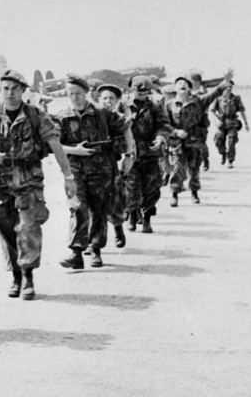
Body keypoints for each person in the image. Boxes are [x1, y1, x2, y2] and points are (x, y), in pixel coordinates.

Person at [0, 70, 74, 300]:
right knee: (5, 228)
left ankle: (27, 275)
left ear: (23, 91)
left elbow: (55, 144)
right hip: (1, 181)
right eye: (5, 88)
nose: (10, 93)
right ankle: (15, 276)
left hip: (29, 179)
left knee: (27, 227)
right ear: (0, 90)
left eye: (15, 89)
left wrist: (68, 176)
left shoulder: (35, 115)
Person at [53, 75, 134, 269]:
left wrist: (129, 154)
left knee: (99, 210)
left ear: (87, 93)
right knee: (78, 207)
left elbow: (126, 127)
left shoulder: (102, 113)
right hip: (75, 170)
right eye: (71, 94)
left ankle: (96, 249)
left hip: (102, 169)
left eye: (79, 94)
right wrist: (75, 150)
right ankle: (76, 253)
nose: (75, 98)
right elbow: (53, 144)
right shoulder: (62, 116)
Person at [163, 72, 231, 206]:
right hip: (176, 142)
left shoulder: (198, 101)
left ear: (190, 88)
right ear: (175, 88)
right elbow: (164, 124)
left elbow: (214, 93)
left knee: (194, 168)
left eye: (185, 84)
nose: (182, 85)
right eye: (179, 83)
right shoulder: (169, 104)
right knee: (176, 167)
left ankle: (194, 193)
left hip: (194, 140)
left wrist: (225, 82)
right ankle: (174, 194)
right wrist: (176, 132)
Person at [123, 75, 173, 233]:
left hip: (150, 152)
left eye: (145, 93)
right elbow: (114, 125)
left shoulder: (155, 105)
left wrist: (160, 137)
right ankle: (132, 214)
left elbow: (164, 125)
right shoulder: (123, 105)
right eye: (139, 93)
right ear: (132, 89)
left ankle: (147, 217)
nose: (142, 96)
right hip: (130, 153)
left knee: (152, 188)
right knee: (130, 188)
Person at [94, 83, 133, 249]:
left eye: (111, 98)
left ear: (117, 101)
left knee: (116, 199)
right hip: (94, 164)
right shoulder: (94, 116)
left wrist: (129, 157)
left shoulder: (119, 118)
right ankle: (93, 241)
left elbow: (129, 136)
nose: (108, 101)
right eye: (104, 98)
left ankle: (118, 228)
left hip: (114, 162)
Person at [211, 81, 249, 168]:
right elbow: (212, 111)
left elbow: (242, 111)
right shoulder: (218, 98)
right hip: (221, 122)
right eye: (227, 87)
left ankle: (230, 160)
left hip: (232, 122)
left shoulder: (236, 98)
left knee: (232, 141)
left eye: (231, 87)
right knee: (218, 141)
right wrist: (216, 121)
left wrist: (246, 123)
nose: (229, 88)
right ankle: (223, 153)